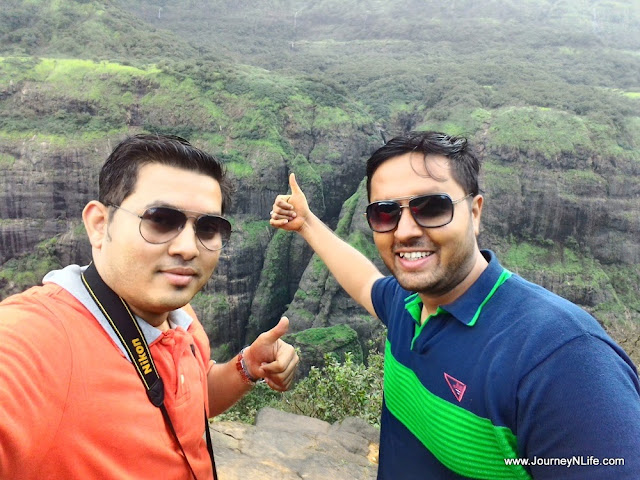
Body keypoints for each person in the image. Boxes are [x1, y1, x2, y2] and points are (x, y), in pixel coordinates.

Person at [269, 131, 640, 479]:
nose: (405, 230)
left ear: (475, 212)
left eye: (431, 207)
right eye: (386, 213)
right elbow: (365, 282)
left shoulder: (563, 359)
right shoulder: (408, 303)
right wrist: (306, 224)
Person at [0, 134, 299, 480]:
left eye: (208, 226)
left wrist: (246, 367)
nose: (187, 248)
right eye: (160, 219)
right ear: (100, 225)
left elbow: (185, 400)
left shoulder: (182, 319)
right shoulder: (38, 341)